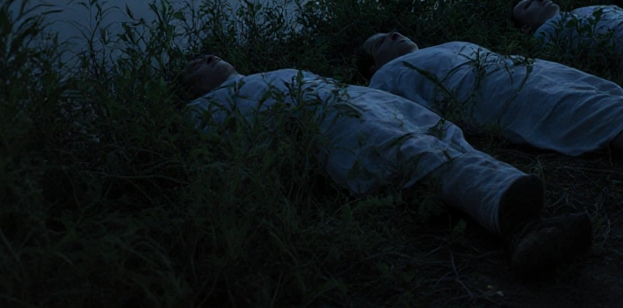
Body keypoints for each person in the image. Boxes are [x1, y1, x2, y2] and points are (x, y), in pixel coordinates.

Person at [181, 55, 592, 276]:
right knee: (417, 155)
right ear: (192, 89)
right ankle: (518, 226)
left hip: (366, 107)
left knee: (440, 142)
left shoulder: (267, 73)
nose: (207, 57)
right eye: (196, 64)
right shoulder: (207, 107)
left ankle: (519, 213)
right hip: (338, 125)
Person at [356, 33, 623, 191]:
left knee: (596, 90)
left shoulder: (443, 44)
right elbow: (408, 114)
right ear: (373, 65)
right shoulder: (383, 81)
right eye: (381, 41)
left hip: (518, 67)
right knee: (575, 110)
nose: (393, 35)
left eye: (393, 31)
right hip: (484, 89)